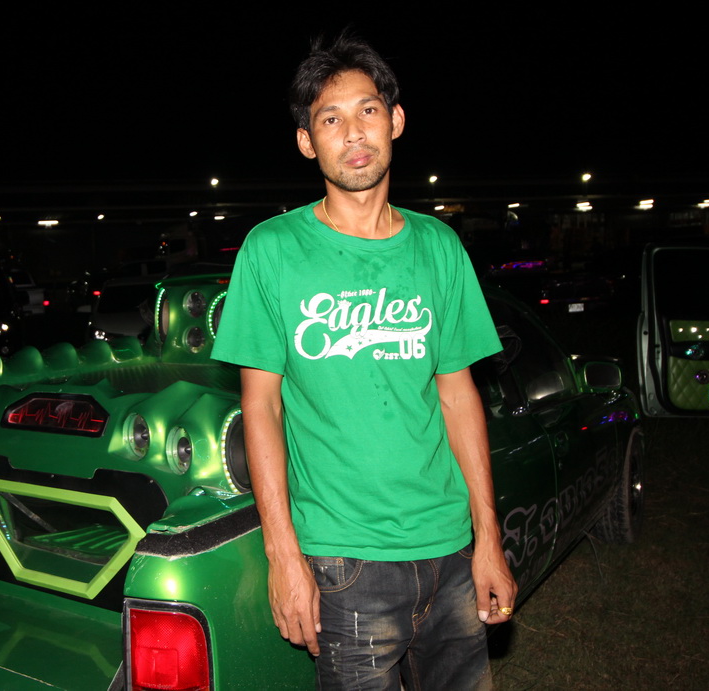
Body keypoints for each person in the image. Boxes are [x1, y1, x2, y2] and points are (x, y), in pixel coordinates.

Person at [210, 32, 517, 690]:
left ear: (395, 120)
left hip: (450, 548)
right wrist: (283, 555)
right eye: (330, 119)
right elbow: (261, 406)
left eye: (367, 110)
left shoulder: (439, 246)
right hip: (344, 561)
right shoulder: (270, 249)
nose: (353, 132)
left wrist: (487, 537)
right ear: (306, 141)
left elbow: (457, 394)